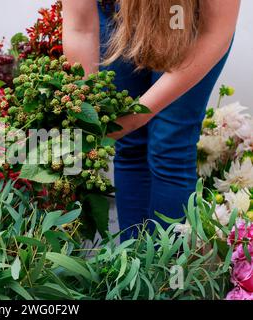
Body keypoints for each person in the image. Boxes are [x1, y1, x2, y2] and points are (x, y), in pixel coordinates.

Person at [62, 0, 241, 239]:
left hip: (190, 20)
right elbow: (80, 25)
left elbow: (216, 31)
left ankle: (167, 273)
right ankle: (130, 266)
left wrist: (138, 116)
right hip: (116, 12)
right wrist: (86, 107)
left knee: (170, 147)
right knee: (128, 144)